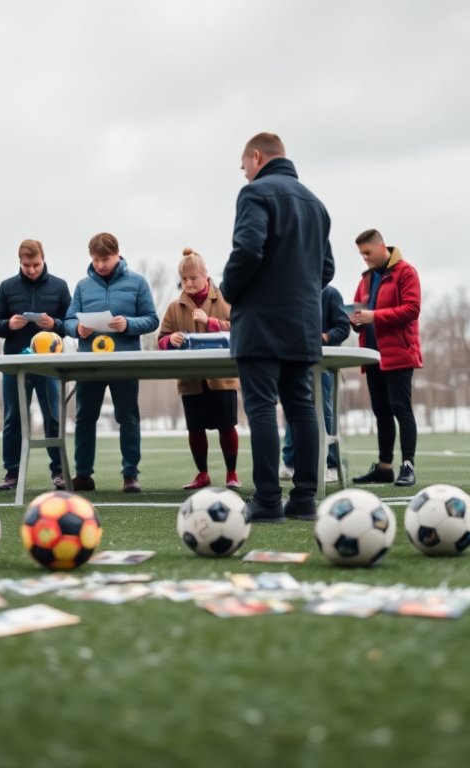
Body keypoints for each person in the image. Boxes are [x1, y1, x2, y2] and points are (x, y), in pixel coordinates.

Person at [222, 132, 336, 522]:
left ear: (256, 157)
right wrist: (299, 291)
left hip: (260, 322)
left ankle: (268, 500)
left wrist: (230, 290)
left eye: (244, 167)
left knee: (261, 409)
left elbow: (248, 249)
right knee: (302, 408)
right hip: (303, 322)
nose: (244, 175)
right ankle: (304, 500)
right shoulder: (315, 204)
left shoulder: (254, 194)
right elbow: (327, 269)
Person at [66, 232, 158, 493]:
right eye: (95, 260)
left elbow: (152, 319)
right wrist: (78, 329)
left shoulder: (138, 283)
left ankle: (130, 475)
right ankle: (83, 475)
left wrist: (128, 324)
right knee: (84, 418)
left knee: (128, 417)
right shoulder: (83, 286)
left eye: (104, 259)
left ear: (117, 254)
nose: (100, 265)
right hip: (89, 363)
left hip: (124, 362)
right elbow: (69, 320)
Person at [158, 248, 241, 490]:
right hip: (190, 379)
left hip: (222, 378)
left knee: (227, 426)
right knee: (195, 428)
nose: (188, 283)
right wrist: (169, 340)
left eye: (193, 278)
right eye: (184, 279)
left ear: (205, 275)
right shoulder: (175, 307)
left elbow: (240, 328)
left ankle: (232, 474)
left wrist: (211, 322)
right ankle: (202, 474)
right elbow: (161, 338)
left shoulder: (224, 299)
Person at [0, 239, 71, 491]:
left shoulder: (59, 286)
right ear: (20, 262)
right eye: (27, 265)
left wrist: (54, 325)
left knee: (53, 418)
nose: (32, 270)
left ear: (43, 258)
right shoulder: (7, 287)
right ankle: (12, 473)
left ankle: (59, 472)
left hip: (49, 366)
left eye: (36, 264)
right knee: (13, 418)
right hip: (15, 364)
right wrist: (8, 325)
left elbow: (70, 323)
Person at [349, 229, 422, 487]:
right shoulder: (366, 279)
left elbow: (412, 309)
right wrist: (355, 320)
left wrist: (374, 316)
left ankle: (408, 466)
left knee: (401, 409)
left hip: (399, 353)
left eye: (367, 253)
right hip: (371, 356)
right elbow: (361, 311)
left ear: (382, 247)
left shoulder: (406, 272)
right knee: (381, 412)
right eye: (361, 254)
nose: (365, 258)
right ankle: (384, 468)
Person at [281, 283, 351, 483]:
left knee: (324, 410)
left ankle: (330, 464)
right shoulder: (292, 291)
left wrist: (324, 337)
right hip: (294, 360)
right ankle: (290, 463)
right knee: (292, 410)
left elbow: (343, 327)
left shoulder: (330, 294)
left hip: (322, 364)